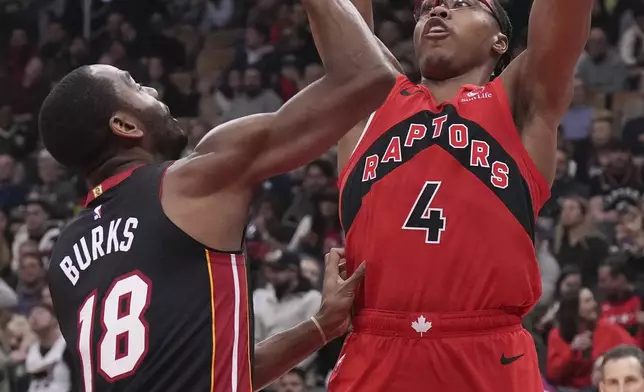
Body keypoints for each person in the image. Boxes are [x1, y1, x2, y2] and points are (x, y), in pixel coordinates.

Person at [40, 0, 397, 391]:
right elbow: (369, 76)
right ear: (124, 125)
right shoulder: (190, 183)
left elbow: (215, 371)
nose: (154, 89)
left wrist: (320, 326)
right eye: (135, 86)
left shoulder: (62, 257)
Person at [313, 0, 594, 391]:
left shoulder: (521, 101)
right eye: (427, 8)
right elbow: (335, 10)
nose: (438, 11)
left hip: (488, 349)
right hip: (375, 344)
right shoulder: (370, 98)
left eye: (462, 4)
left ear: (500, 41)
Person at [547, 287, 634, 389]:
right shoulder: (557, 334)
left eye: (592, 300)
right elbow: (552, 375)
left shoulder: (609, 329)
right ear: (574, 308)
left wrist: (605, 363)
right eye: (587, 301)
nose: (594, 304)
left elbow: (634, 353)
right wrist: (571, 351)